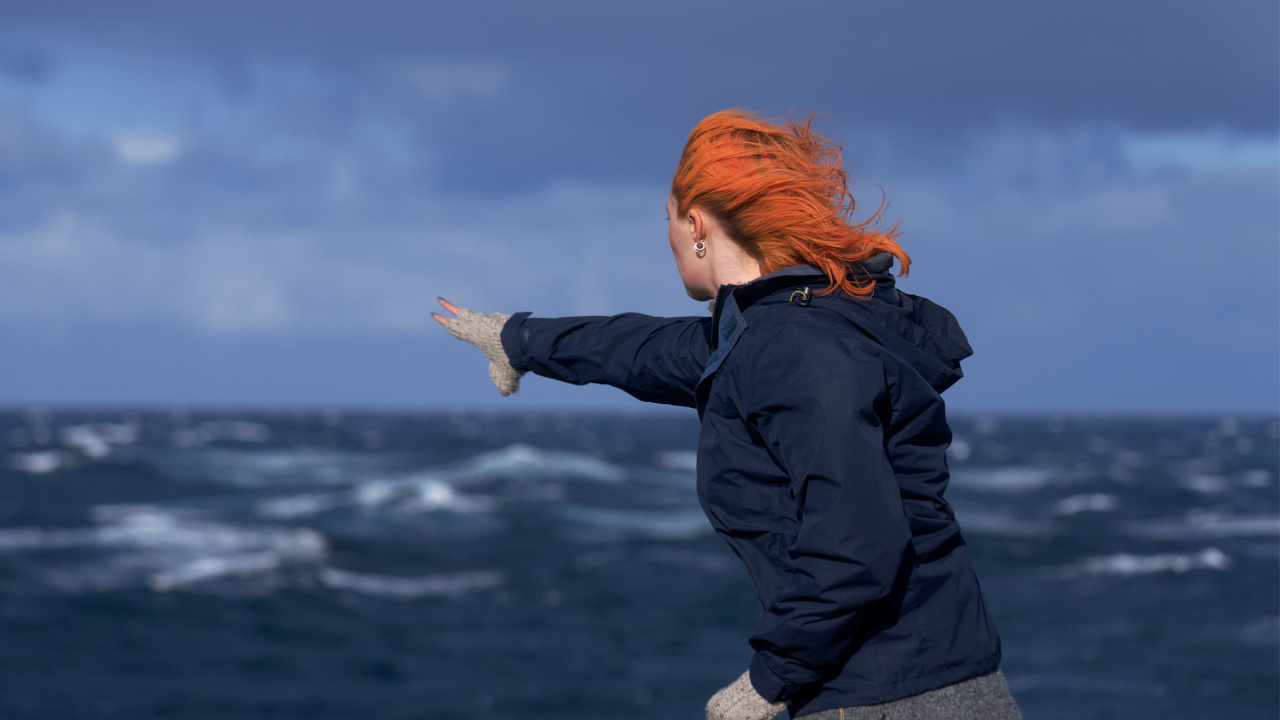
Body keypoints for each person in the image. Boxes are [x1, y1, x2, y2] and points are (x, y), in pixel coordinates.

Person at [433, 109, 1022, 720]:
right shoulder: (790, 325)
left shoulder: (795, 348)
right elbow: (639, 349)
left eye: (664, 219)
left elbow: (857, 540)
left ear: (696, 226)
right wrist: (516, 340)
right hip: (930, 679)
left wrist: (768, 683)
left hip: (889, 698)